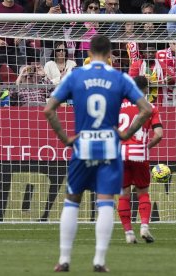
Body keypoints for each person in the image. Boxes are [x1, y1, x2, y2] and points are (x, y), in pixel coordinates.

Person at [44, 35, 152, 272]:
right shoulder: (120, 77)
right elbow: (146, 109)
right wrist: (125, 134)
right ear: (111, 53)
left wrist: (66, 138)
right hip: (109, 146)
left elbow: (49, 108)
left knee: (72, 200)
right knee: (105, 201)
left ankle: (64, 260)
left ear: (89, 52)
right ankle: (100, 261)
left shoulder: (75, 75)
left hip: (82, 146)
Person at [117, 76, 163, 244]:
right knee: (142, 192)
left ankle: (129, 233)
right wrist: (147, 146)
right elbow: (159, 135)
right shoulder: (150, 107)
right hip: (139, 153)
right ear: (145, 89)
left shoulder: (117, 105)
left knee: (123, 193)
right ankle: (144, 226)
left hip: (119, 152)